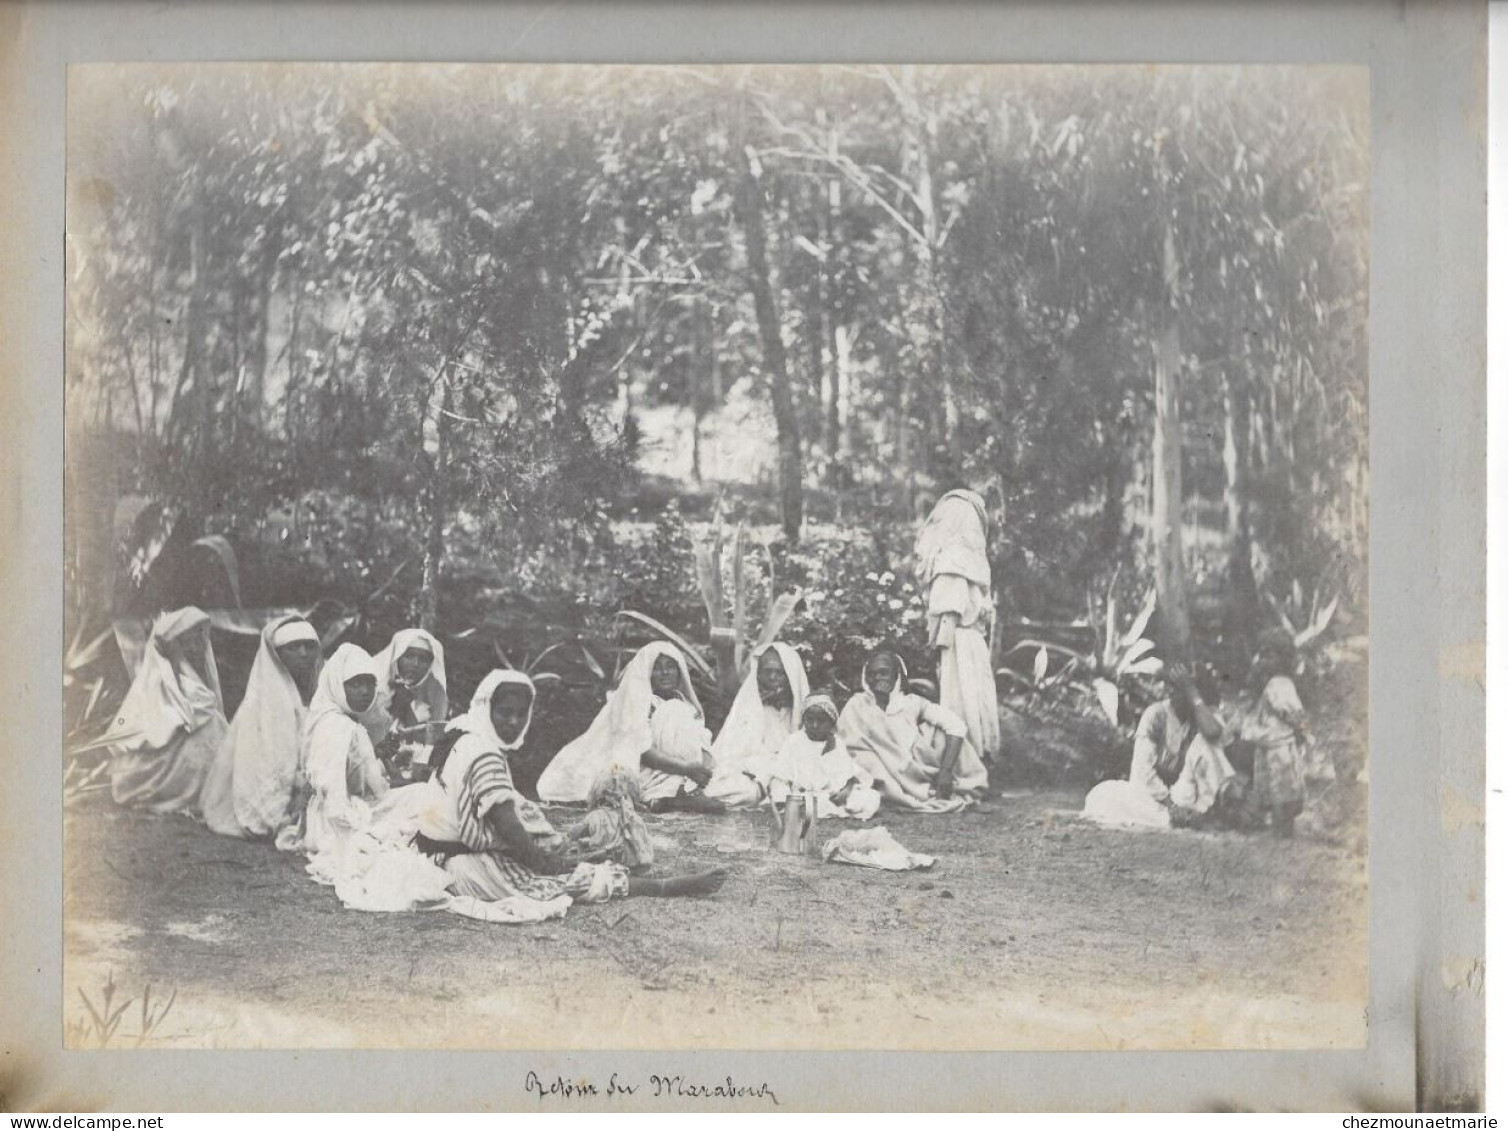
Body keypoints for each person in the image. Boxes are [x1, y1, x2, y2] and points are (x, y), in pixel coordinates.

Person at [416, 670, 726, 917]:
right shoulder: (485, 755)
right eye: (504, 713)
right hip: (465, 869)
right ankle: (665, 887)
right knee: (570, 880)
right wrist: (544, 863)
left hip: (435, 856)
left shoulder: (462, 734)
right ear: (487, 708)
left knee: (550, 843)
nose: (513, 723)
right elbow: (507, 826)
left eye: (520, 714)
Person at [536, 642, 723, 812]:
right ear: (646, 672)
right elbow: (641, 750)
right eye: (656, 667)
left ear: (679, 671)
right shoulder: (636, 702)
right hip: (648, 771)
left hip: (683, 772)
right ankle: (669, 794)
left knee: (740, 790)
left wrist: (702, 771)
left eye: (670, 666)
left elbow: (702, 743)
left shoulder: (685, 703)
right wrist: (687, 769)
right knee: (674, 710)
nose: (664, 672)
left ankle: (681, 792)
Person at [200, 616, 322, 839]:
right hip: (276, 787)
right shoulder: (262, 704)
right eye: (293, 648)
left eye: (309, 646)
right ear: (277, 654)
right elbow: (265, 765)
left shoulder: (320, 691)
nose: (304, 654)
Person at [1082, 662, 1240, 831]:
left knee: (1206, 744)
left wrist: (1192, 694)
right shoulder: (1156, 715)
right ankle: (1185, 817)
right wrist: (1171, 805)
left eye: (1188, 688)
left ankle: (1211, 811)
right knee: (1103, 794)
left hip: (1187, 793)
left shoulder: (1202, 714)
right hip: (1155, 797)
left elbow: (1213, 733)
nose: (1177, 693)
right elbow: (1143, 771)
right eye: (1176, 688)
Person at [106, 607, 228, 815]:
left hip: (192, 745)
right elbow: (163, 721)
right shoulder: (153, 681)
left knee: (214, 725)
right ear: (173, 643)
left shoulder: (194, 676)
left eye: (200, 636)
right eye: (187, 638)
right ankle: (178, 788)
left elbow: (201, 707)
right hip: (164, 754)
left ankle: (211, 784)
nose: (197, 644)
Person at [836, 650, 988, 812]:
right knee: (865, 758)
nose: (878, 678)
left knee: (944, 735)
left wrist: (946, 770)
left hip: (913, 768)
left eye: (884, 673)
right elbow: (848, 745)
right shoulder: (857, 705)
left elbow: (956, 725)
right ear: (865, 678)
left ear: (897, 675)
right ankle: (900, 795)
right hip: (880, 771)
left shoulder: (912, 703)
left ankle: (946, 784)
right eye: (872, 674)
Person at [915, 487, 1001, 764]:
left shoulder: (953, 560)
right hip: (972, 640)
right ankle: (977, 757)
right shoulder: (973, 561)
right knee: (974, 697)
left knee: (960, 697)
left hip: (956, 641)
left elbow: (949, 611)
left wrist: (935, 646)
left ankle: (965, 761)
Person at [703, 642, 810, 808]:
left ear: (790, 676)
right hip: (753, 776)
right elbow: (732, 755)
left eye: (780, 673)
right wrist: (763, 768)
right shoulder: (748, 706)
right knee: (737, 789)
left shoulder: (804, 713)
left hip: (790, 776)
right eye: (768, 672)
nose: (773, 678)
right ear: (758, 674)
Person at [1236, 632, 1311, 837]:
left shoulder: (1279, 683)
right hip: (1271, 743)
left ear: (1283, 657)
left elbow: (1292, 711)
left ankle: (1282, 829)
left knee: (1282, 789)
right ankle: (1279, 828)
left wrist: (1303, 729)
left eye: (1270, 656)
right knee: (1277, 788)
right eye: (1263, 655)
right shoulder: (1272, 682)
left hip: (1278, 743)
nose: (1264, 660)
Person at [766, 693, 881, 820]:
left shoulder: (836, 743)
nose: (815, 725)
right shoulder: (794, 740)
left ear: (831, 723)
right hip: (799, 795)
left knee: (871, 796)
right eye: (810, 720)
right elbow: (781, 775)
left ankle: (818, 807)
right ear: (804, 720)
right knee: (779, 789)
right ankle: (804, 808)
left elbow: (848, 775)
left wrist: (845, 790)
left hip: (829, 796)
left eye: (821, 721)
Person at [366, 628, 448, 783]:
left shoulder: (433, 695)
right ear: (396, 657)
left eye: (423, 659)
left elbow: (429, 740)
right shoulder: (373, 688)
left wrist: (408, 706)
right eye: (409, 656)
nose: (415, 664)